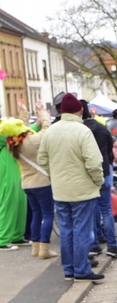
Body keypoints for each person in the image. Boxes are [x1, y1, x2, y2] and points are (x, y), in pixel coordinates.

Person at [37, 93, 105, 282]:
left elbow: (42, 159)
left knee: (66, 230)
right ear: (80, 110)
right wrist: (97, 181)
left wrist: (54, 174)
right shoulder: (82, 131)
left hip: (60, 190)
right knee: (81, 230)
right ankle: (81, 269)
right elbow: (94, 163)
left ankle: (69, 269)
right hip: (82, 189)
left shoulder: (51, 131)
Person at [3, 101, 57, 258]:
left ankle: (35, 247)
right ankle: (44, 249)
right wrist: (42, 112)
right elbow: (47, 129)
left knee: (36, 214)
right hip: (41, 182)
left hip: (26, 184)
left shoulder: (13, 145)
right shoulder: (32, 141)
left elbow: (23, 128)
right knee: (48, 215)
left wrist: (24, 114)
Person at [80, 100, 117, 260]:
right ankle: (112, 245)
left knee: (92, 209)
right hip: (105, 170)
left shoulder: (80, 130)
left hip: (88, 174)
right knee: (106, 209)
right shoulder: (101, 128)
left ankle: (94, 244)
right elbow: (110, 149)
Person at [0, 121, 28, 250]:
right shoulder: (3, 130)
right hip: (5, 169)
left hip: (13, 167)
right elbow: (10, 132)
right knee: (8, 201)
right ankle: (2, 239)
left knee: (20, 201)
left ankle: (17, 235)